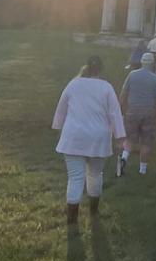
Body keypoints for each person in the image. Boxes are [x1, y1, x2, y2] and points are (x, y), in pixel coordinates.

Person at [52, 55, 125, 225]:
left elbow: (61, 107)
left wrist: (57, 126)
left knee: (75, 178)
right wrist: (120, 136)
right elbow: (115, 113)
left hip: (74, 136)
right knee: (95, 174)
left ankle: (72, 218)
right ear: (100, 69)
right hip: (98, 137)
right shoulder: (106, 87)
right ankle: (93, 210)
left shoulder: (73, 84)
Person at [118, 52, 156, 176]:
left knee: (129, 139)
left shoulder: (132, 75)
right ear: (152, 63)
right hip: (148, 112)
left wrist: (120, 109)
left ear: (142, 62)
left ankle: (124, 158)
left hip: (132, 111)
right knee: (146, 142)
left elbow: (123, 93)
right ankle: (142, 170)